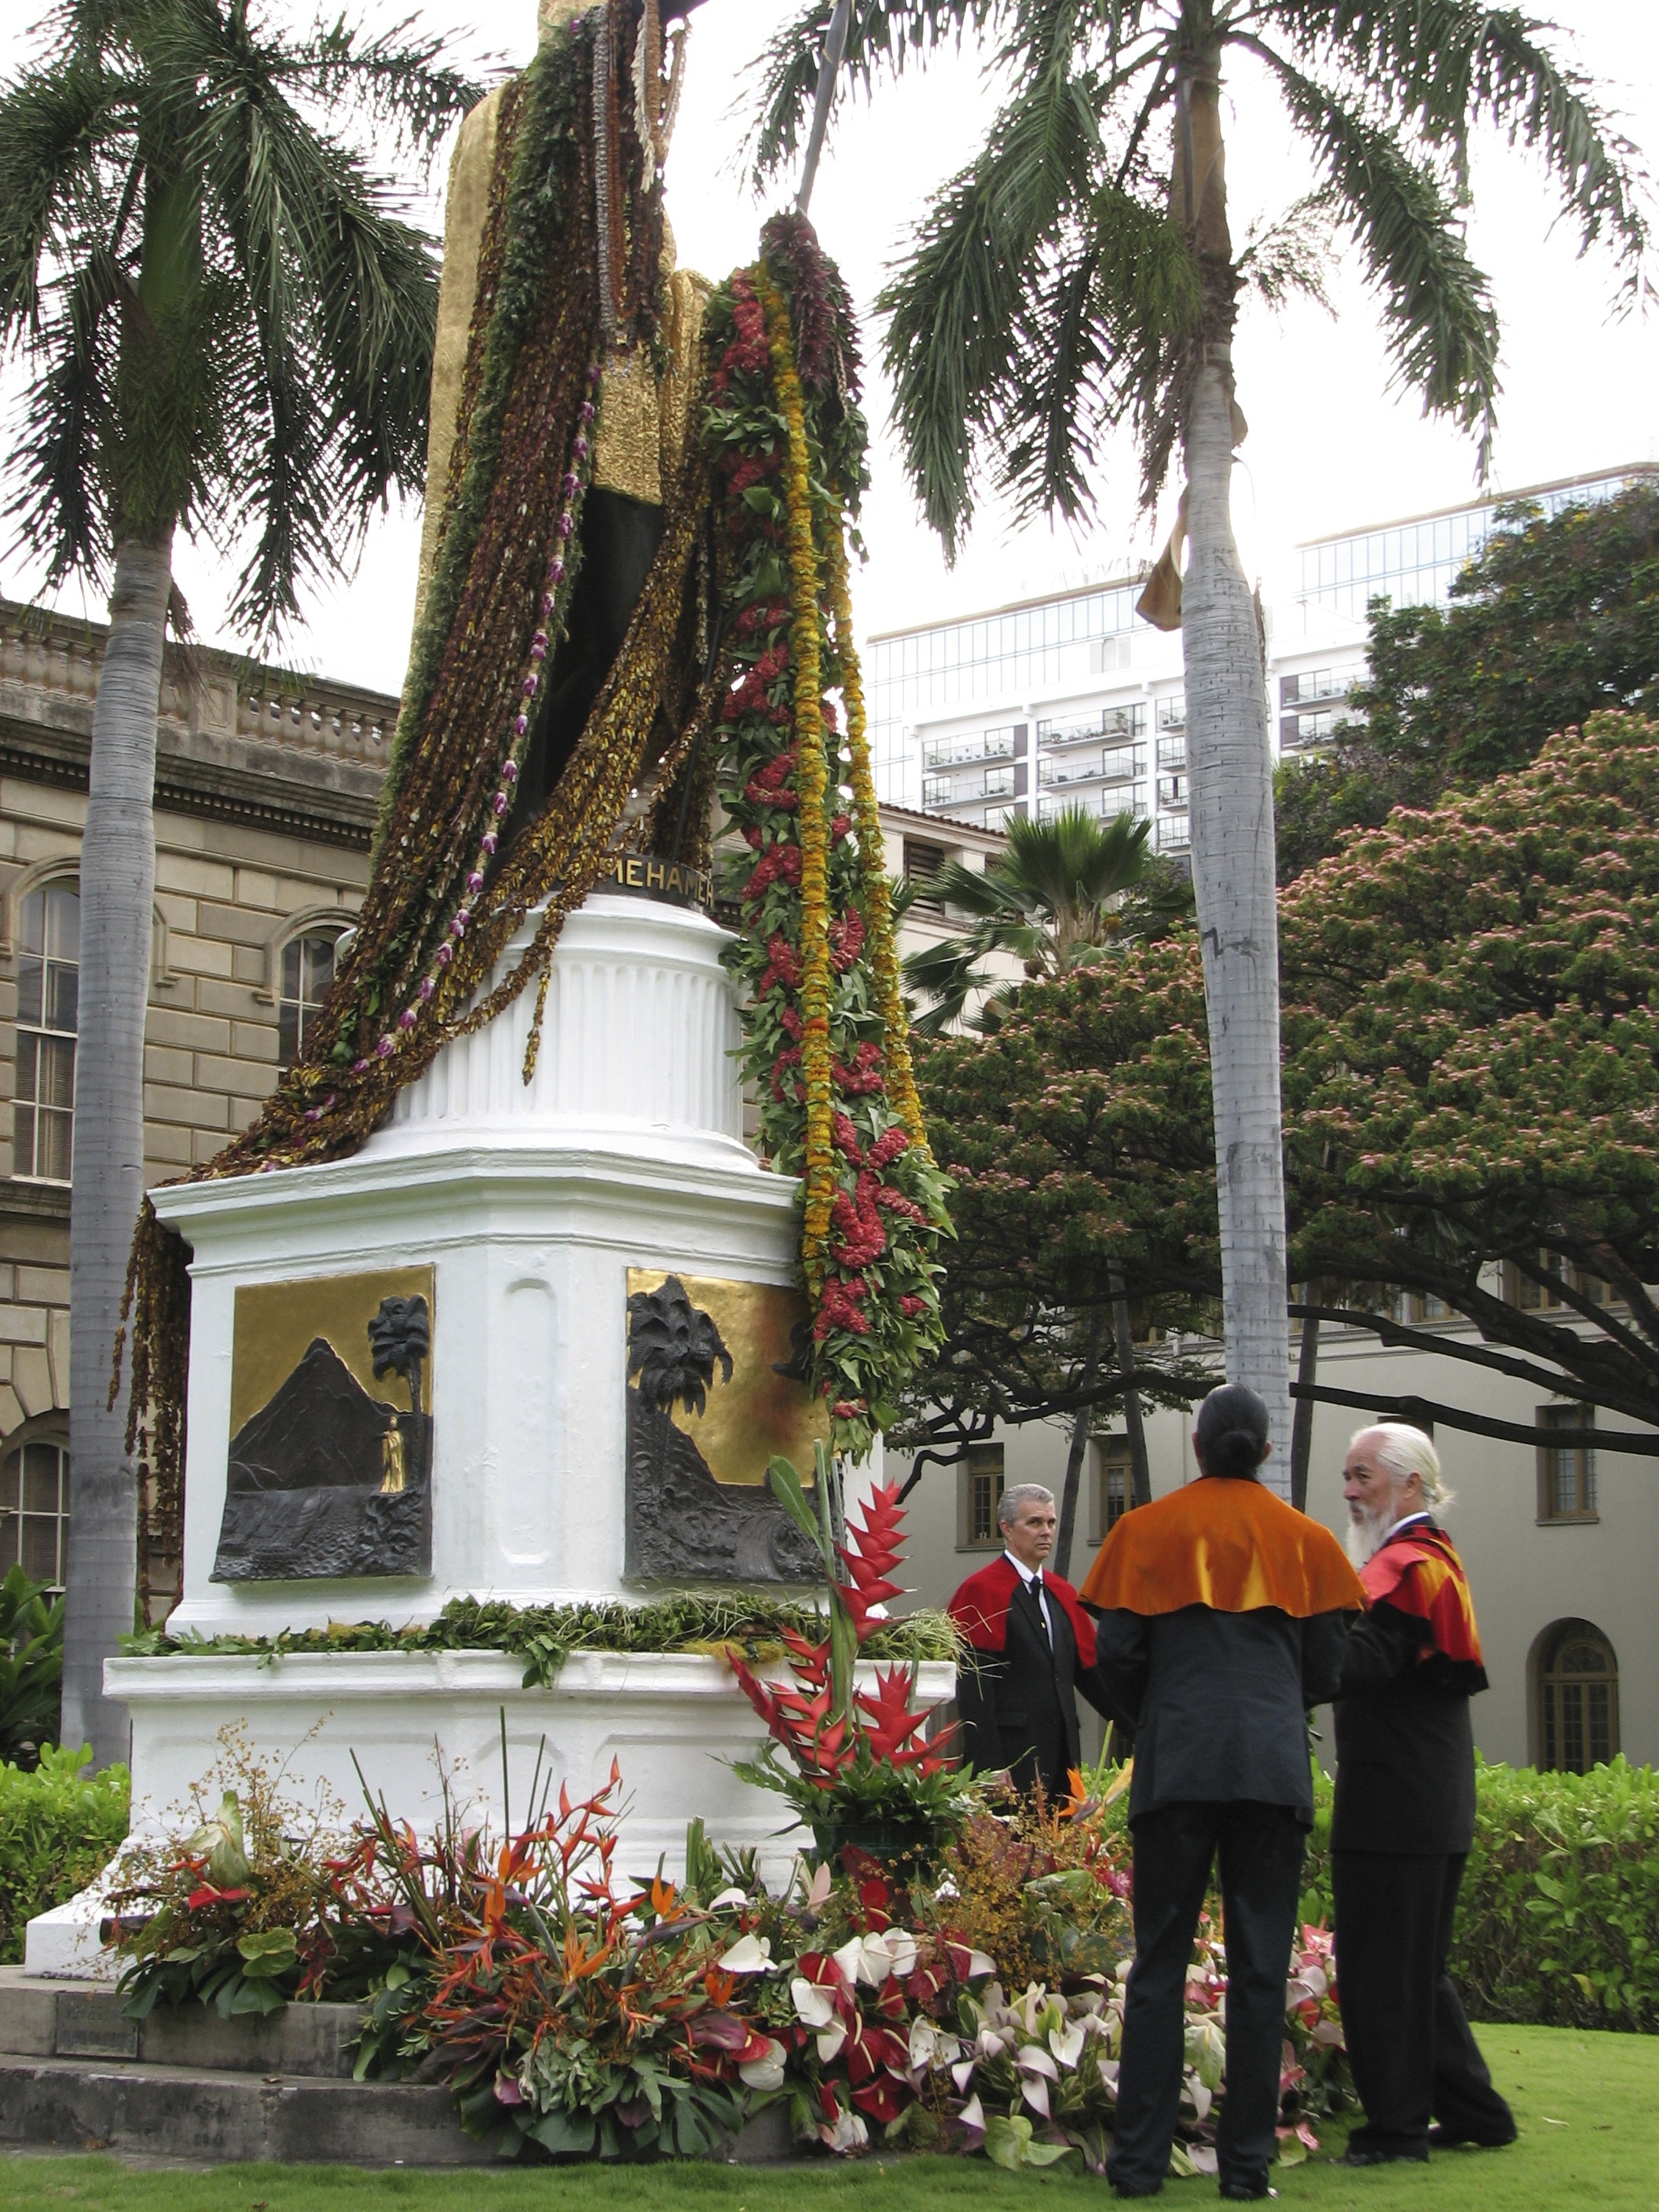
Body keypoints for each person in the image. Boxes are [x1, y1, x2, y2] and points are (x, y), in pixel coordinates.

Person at [1079, 1385, 1364, 2201]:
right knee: (1263, 1971)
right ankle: (1246, 2168)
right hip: (1270, 1769)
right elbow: (1329, 1670)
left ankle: (1138, 2166)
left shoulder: (1144, 1531)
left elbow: (1115, 1659)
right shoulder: (1307, 1540)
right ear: (1266, 1450)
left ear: (1199, 1447)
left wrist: (1160, 1715)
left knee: (1159, 1966)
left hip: (1178, 1764)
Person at [1332, 1423, 1517, 2166]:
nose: (1349, 1491)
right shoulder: (1435, 1559)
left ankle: (1396, 2129)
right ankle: (1478, 2113)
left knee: (1382, 1974)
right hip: (1429, 1799)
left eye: (1363, 1476)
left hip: (1394, 1804)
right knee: (1417, 1972)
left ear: (1411, 1483)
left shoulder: (1404, 1565)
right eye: (1347, 1476)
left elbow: (1355, 1666)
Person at [948, 1484, 1111, 1800]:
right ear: (1007, 1529)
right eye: (1034, 1522)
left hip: (1062, 1762)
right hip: (1011, 1763)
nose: (1046, 1532)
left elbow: (1094, 1678)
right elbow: (974, 1692)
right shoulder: (981, 1591)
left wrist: (1146, 1729)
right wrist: (990, 1767)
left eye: (1051, 1522)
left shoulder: (1062, 1593)